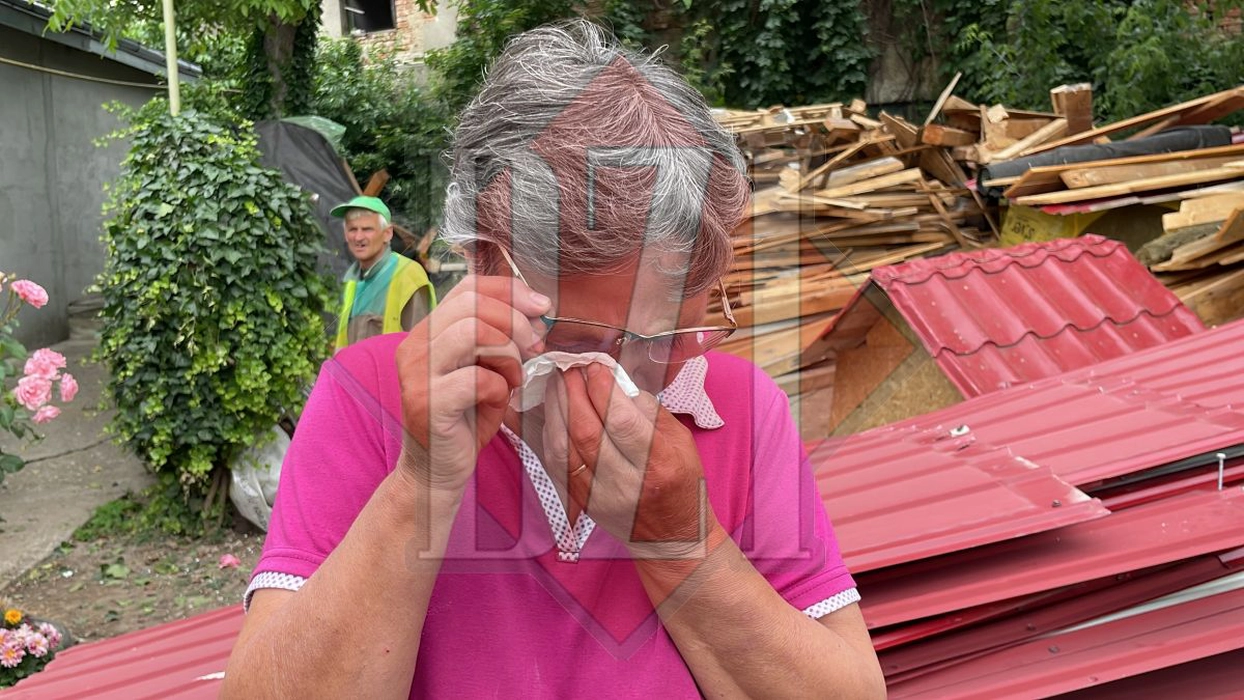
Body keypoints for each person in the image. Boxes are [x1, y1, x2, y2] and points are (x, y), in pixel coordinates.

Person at [223, 20, 885, 699]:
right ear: (484, 262)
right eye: (601, 340)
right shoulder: (366, 397)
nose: (661, 371)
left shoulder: (739, 407)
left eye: (681, 327)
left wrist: (681, 544)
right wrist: (422, 483)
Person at [331, 195, 436, 350]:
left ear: (387, 233)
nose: (358, 237)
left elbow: (420, 347)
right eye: (353, 229)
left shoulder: (408, 274)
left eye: (367, 229)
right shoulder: (353, 282)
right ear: (346, 235)